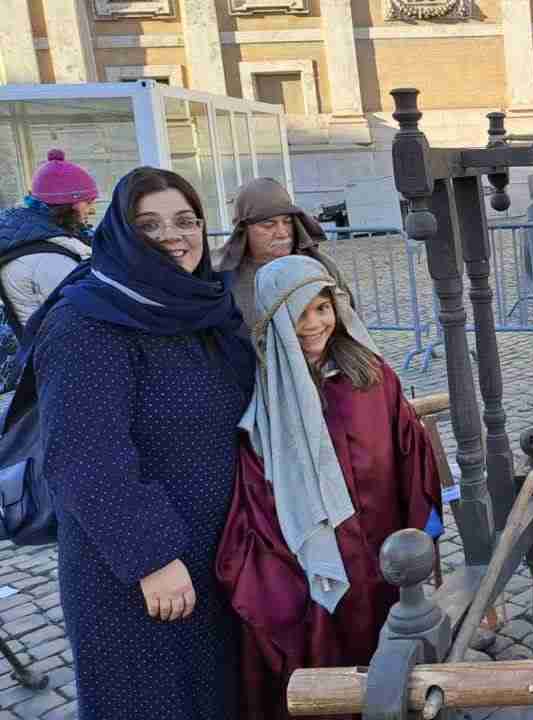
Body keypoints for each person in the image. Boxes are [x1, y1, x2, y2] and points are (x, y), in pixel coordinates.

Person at [27, 167, 257, 719]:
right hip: (137, 571)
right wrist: (152, 557)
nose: (173, 236)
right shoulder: (88, 322)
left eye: (185, 220)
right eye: (149, 225)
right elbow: (84, 457)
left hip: (214, 551)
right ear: (123, 235)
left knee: (214, 698)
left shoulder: (202, 307)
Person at [216, 254, 443, 720]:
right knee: (331, 651)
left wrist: (422, 524)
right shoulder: (264, 395)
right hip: (318, 555)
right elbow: (261, 484)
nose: (314, 323)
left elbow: (407, 452)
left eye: (322, 308)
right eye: (299, 313)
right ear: (274, 319)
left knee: (387, 647)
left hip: (382, 546)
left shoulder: (371, 375)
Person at [213, 177, 346, 333]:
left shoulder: (320, 268)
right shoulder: (220, 279)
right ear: (244, 229)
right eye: (268, 224)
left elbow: (350, 325)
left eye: (288, 221)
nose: (283, 233)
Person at [0, 149, 97, 328]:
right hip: (56, 348)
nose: (92, 210)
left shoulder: (31, 237)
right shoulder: (49, 259)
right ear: (68, 205)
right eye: (88, 202)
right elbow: (81, 319)